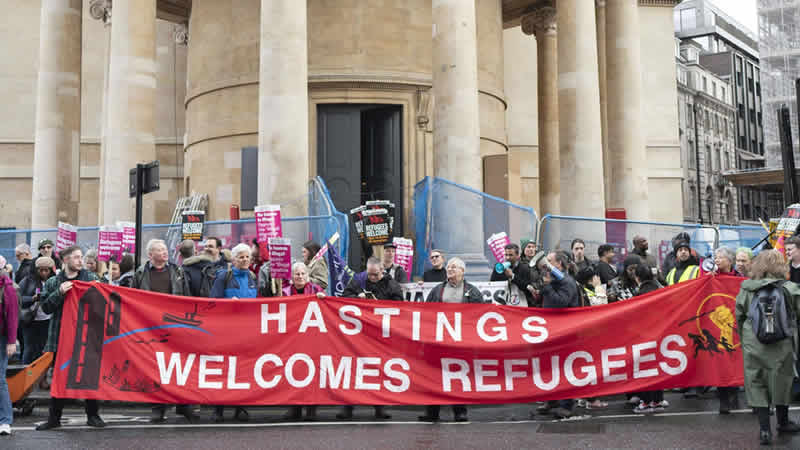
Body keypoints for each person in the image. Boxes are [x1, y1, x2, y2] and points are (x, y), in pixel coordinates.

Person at [36, 245, 105, 430]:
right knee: (60, 375)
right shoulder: (53, 282)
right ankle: (54, 418)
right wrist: (59, 293)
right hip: (60, 337)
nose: (80, 260)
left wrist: (97, 290)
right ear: (66, 260)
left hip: (86, 336)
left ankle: (93, 415)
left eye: (81, 257)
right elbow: (45, 308)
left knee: (89, 375)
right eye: (76, 257)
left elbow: (104, 302)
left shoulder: (91, 278)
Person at [735, 250, 800, 445]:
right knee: (782, 379)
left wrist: (745, 339)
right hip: (782, 342)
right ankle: (783, 422)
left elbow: (739, 315)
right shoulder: (790, 288)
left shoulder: (747, 288)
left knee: (756, 381)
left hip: (753, 340)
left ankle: (764, 430)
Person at [132, 239, 198, 424]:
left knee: (179, 365)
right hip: (151, 327)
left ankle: (184, 404)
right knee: (156, 367)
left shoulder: (177, 271)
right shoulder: (140, 274)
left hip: (175, 325)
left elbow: (186, 297)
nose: (165, 252)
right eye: (160, 250)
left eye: (164, 249)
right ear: (150, 255)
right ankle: (158, 407)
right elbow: (132, 297)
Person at [419, 257, 483, 422]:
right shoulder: (437, 290)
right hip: (439, 340)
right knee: (434, 375)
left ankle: (460, 411)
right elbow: (426, 312)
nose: (450, 269)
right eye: (449, 267)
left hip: (460, 341)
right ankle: (432, 412)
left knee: (458, 375)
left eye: (454, 267)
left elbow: (480, 315)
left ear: (463, 271)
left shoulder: (472, 291)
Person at [338, 257, 401, 420]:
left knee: (378, 370)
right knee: (353, 369)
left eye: (375, 275)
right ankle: (347, 406)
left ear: (382, 271)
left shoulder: (391, 285)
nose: (372, 278)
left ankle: (380, 407)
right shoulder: (358, 280)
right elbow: (344, 297)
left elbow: (400, 306)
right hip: (359, 334)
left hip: (380, 335)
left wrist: (379, 303)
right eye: (369, 274)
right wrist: (358, 298)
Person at [209, 243, 255, 422]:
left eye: (247, 257)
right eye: (241, 257)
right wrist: (228, 303)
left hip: (246, 332)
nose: (245, 260)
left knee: (243, 369)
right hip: (226, 331)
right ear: (234, 259)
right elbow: (213, 301)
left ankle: (240, 407)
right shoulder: (223, 276)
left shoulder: (252, 277)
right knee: (223, 369)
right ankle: (218, 409)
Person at [538, 251, 580, 418]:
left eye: (549, 261)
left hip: (565, 332)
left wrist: (547, 287)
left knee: (564, 368)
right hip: (552, 330)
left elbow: (561, 303)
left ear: (559, 265)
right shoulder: (555, 281)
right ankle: (552, 401)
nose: (545, 264)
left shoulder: (567, 282)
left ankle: (567, 405)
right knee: (550, 367)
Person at [282, 262, 325, 421]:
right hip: (292, 339)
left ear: (308, 275)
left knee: (312, 373)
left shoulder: (316, 290)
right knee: (293, 372)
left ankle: (311, 408)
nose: (300, 277)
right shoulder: (284, 292)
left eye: (302, 274)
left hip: (312, 338)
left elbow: (326, 309)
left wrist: (323, 299)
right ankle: (295, 407)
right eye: (297, 274)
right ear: (292, 277)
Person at [631, 264, 668, 414]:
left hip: (644, 336)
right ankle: (658, 399)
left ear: (637, 278)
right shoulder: (659, 289)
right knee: (657, 367)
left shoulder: (640, 293)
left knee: (646, 369)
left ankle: (646, 402)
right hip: (660, 333)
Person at [17, 256, 55, 364]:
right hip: (30, 320)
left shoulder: (54, 281)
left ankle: (42, 372)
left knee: (44, 349)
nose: (43, 273)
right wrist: (32, 299)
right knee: (29, 349)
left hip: (48, 320)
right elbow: (18, 299)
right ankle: (26, 371)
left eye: (46, 270)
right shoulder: (27, 281)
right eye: (40, 270)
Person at [0, 261, 18, 436]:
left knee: (0, 379)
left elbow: (12, 316)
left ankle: (5, 420)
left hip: (2, 338)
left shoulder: (8, 288)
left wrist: (11, 341)